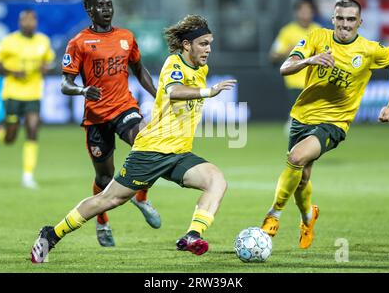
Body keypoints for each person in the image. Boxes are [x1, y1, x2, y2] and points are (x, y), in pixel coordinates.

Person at [30, 14, 237, 263]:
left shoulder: (201, 68)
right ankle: (51, 234)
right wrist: (208, 92)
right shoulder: (174, 64)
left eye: (210, 43)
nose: (208, 49)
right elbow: (173, 92)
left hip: (179, 152)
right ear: (187, 45)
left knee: (216, 180)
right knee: (109, 199)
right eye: (203, 43)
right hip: (152, 150)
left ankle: (192, 236)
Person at [260, 0, 389, 249]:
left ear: (360, 22)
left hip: (335, 122)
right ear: (333, 19)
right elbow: (285, 67)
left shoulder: (369, 50)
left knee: (296, 158)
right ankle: (308, 218)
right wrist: (310, 61)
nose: (345, 24)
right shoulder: (316, 37)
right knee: (302, 179)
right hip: (302, 116)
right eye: (340, 18)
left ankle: (273, 214)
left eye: (351, 19)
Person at [60, 0, 161, 247]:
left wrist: (160, 95)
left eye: (109, 4)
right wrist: (83, 89)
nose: (106, 9)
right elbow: (65, 83)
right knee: (104, 179)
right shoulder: (79, 42)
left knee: (148, 144)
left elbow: (139, 70)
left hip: (125, 107)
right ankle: (102, 222)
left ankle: (141, 197)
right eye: (100, 5)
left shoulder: (126, 36)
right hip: (96, 118)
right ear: (89, 10)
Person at [0, 10, 55, 188]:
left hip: (33, 94)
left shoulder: (43, 41)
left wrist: (45, 68)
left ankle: (28, 176)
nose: (29, 23)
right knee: (10, 137)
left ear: (36, 22)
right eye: (26, 20)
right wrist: (12, 72)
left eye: (32, 20)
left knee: (33, 129)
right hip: (12, 93)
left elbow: (49, 61)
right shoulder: (8, 41)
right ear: (20, 23)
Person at [270, 0, 321, 133]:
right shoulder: (288, 31)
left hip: (314, 80)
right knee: (301, 113)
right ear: (296, 13)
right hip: (294, 79)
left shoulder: (319, 31)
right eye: (302, 11)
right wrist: (289, 51)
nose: (305, 14)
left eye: (308, 11)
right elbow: (273, 55)